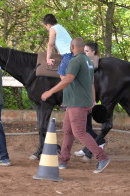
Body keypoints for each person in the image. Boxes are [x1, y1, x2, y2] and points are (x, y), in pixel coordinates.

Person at [41, 38, 111, 173]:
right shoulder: (88, 61)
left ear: (72, 47)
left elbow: (68, 79)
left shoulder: (76, 60)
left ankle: (102, 157)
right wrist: (92, 100)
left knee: (79, 132)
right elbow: (91, 83)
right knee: (67, 131)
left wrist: (49, 92)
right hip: (75, 102)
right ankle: (63, 159)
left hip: (76, 103)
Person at [74, 42, 107, 158]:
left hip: (86, 100)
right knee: (86, 127)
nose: (85, 53)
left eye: (87, 51)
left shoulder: (89, 64)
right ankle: (92, 146)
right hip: (85, 100)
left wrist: (93, 101)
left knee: (83, 129)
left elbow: (91, 84)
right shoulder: (85, 63)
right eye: (84, 51)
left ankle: (99, 145)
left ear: (93, 52)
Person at [42, 14, 72, 79]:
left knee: (62, 74)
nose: (46, 28)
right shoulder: (60, 27)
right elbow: (62, 43)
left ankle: (69, 89)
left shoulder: (53, 29)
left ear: (48, 25)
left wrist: (48, 59)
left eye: (45, 26)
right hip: (72, 53)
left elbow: (50, 44)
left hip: (68, 55)